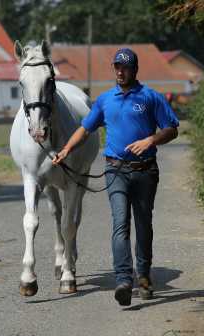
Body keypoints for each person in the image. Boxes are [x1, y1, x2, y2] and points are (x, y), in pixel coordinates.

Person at [52, 48, 179, 306]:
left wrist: (150, 139)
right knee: (120, 223)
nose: (121, 71)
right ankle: (123, 279)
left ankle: (143, 275)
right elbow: (85, 129)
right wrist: (66, 149)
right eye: (117, 67)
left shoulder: (151, 97)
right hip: (115, 170)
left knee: (143, 224)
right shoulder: (104, 100)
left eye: (126, 67)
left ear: (135, 69)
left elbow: (172, 129)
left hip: (145, 171)